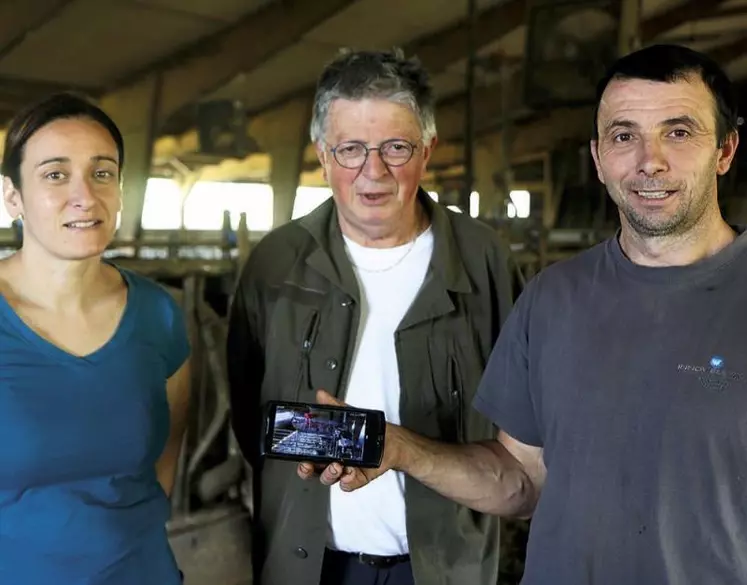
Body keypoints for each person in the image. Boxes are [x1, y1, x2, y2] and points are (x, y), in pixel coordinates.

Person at [311, 43, 747, 584]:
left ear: (726, 150)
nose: (649, 160)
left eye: (679, 132)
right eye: (624, 135)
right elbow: (522, 480)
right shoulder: (552, 297)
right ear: (597, 157)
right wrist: (396, 448)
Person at [226, 49, 515, 585]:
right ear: (322, 154)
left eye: (395, 148)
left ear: (427, 150)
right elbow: (248, 417)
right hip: (307, 566)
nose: (373, 171)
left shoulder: (484, 260)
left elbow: (517, 421)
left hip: (444, 567)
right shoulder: (274, 263)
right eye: (351, 149)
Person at [0, 93, 192, 584]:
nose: (84, 195)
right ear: (12, 197)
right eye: (55, 174)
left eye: (102, 172)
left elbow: (165, 456)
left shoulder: (157, 314)